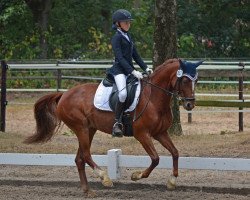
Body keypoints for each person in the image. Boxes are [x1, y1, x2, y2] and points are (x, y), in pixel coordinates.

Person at [107, 9, 153, 137]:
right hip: (119, 71)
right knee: (122, 94)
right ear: (117, 24)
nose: (128, 24)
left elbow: (136, 56)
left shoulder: (128, 36)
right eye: (125, 22)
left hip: (129, 70)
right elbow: (120, 58)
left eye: (129, 22)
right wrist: (132, 71)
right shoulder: (116, 38)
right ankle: (117, 123)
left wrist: (146, 68)